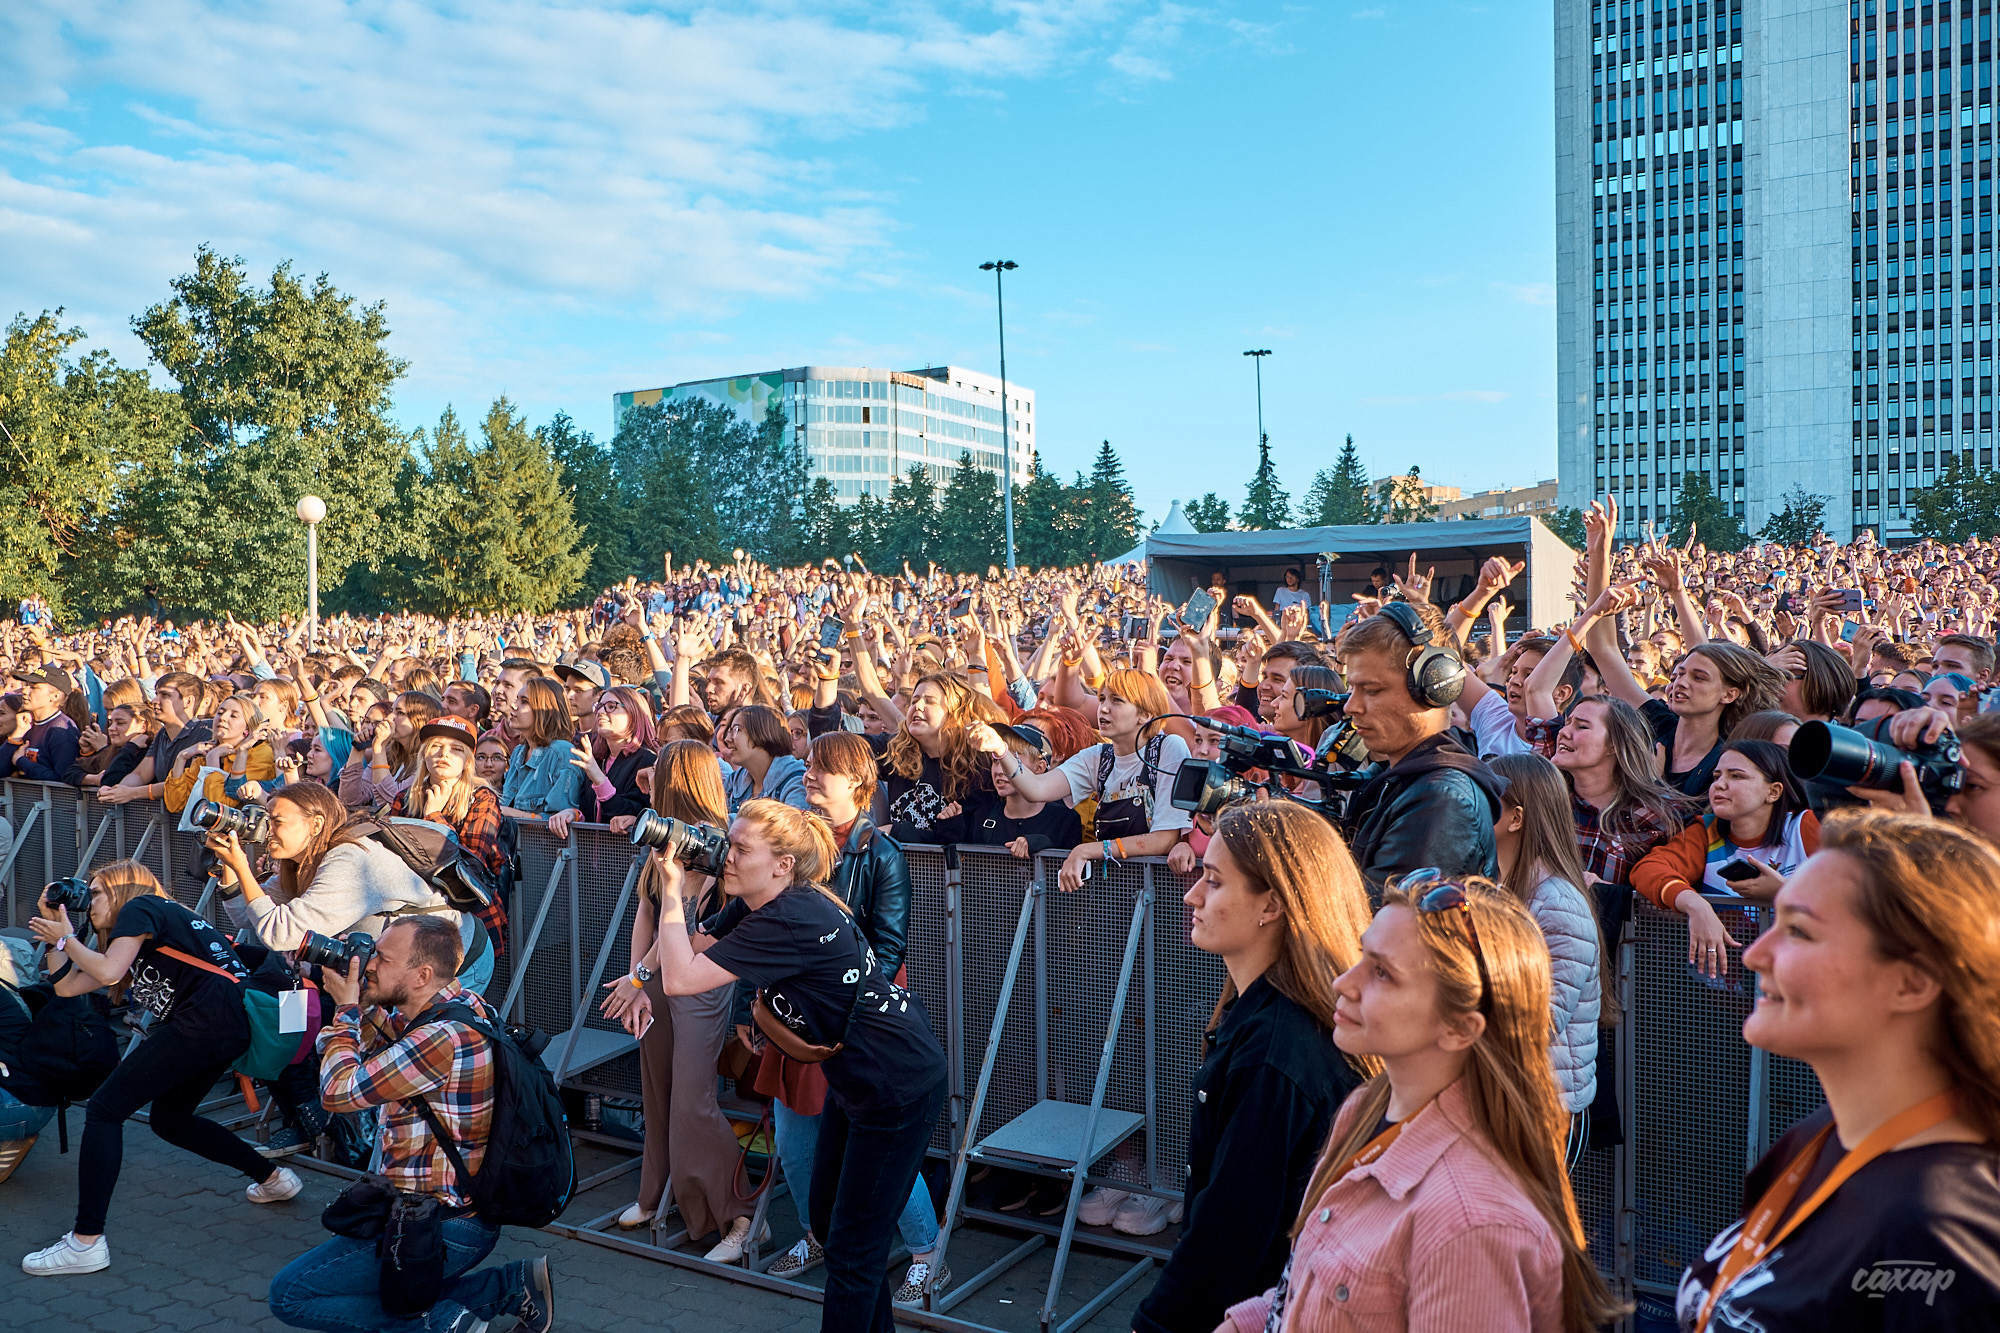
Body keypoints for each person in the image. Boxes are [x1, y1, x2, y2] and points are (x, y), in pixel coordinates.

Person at [1225, 874, 1626, 1333]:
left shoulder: (1470, 1226)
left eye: (1382, 973)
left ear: (1459, 1028)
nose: (1343, 982)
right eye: (1362, 956)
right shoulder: (1364, 1109)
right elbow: (1304, 1287)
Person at [1675, 811, 2000, 1330]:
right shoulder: (1818, 1136)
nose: (1757, 954)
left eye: (1799, 931)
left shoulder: (1943, 1229)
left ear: (1912, 982)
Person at [650, 798, 947, 1333]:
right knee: (835, 1230)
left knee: (853, 1251)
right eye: (728, 844)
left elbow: (681, 979)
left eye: (742, 849)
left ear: (783, 864)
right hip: (858, 1080)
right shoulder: (766, 902)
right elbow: (690, 948)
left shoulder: (788, 918)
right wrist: (685, 890)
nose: (728, 857)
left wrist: (671, 891)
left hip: (896, 1085)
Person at [1130, 802, 1372, 1333]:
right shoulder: (1269, 1019)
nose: (1192, 895)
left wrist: (1155, 1324)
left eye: (1214, 882)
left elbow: (1230, 1232)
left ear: (1272, 905)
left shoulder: (1277, 1051)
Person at [267, 915, 556, 1333]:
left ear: (421, 975)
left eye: (382, 959)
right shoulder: (463, 1006)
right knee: (391, 1296)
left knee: (291, 1295)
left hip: (442, 1226)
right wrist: (362, 996)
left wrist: (346, 1011)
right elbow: (389, 1040)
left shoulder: (441, 1038)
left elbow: (338, 1092)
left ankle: (446, 1324)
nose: (369, 964)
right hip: (439, 1210)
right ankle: (511, 1286)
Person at [21, 861, 301, 1276]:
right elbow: (67, 987)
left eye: (95, 893)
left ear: (121, 890)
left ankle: (86, 1242)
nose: (87, 903)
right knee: (171, 1120)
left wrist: (66, 939)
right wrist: (55, 934)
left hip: (205, 1021)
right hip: (224, 1025)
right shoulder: (149, 926)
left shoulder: (142, 906)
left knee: (104, 1110)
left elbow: (108, 972)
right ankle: (273, 1178)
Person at [758, 731, 942, 1302]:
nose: (809, 774)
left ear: (858, 783)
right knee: (795, 1140)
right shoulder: (795, 841)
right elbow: (760, 926)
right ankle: (819, 1233)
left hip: (860, 1018)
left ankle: (927, 1253)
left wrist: (844, 1005)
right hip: (798, 1012)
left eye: (823, 768)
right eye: (809, 764)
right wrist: (752, 1005)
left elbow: (890, 947)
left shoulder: (880, 853)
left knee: (877, 1147)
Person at [595, 740, 752, 1256]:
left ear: (678, 779)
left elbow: (685, 926)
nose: (649, 776)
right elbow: (647, 910)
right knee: (657, 1092)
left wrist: (639, 978)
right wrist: (636, 984)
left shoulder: (712, 841)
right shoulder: (662, 832)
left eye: (659, 770)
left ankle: (739, 1215)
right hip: (657, 980)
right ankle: (656, 1194)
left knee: (691, 1102)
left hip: (701, 980)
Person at [210, 781, 494, 996]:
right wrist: (229, 866)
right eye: (265, 819)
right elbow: (247, 917)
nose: (266, 830)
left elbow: (280, 934)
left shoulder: (349, 859)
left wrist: (242, 867)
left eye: (277, 822)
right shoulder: (300, 863)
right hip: (399, 966)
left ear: (316, 824)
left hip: (455, 960)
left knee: (412, 1047)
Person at [1488, 752, 1612, 1150]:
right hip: (1506, 1095)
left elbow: (1540, 1022)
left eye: (1485, 798)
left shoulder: (1557, 902)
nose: (1470, 807)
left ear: (1516, 818)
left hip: (1546, 1108)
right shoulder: (1494, 886)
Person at [970, 669, 1191, 890]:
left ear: (1145, 714)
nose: (1103, 708)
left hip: (1158, 893)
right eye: (1102, 698)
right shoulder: (1099, 756)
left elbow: (1165, 839)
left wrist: (1088, 850)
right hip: (1114, 891)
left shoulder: (1168, 748)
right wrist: (1001, 751)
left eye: (1116, 701)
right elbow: (1036, 788)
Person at [1334, 602, 1503, 891]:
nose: (1351, 706)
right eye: (1352, 688)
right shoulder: (1399, 779)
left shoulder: (1442, 800)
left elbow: (1374, 913)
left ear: (1435, 685)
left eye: (1371, 690)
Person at [1632, 740, 1820, 981]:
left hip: (1799, 985)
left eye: (1736, 776)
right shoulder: (1706, 831)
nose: (1719, 784)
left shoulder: (1805, 827)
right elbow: (1648, 869)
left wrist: (1785, 892)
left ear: (1773, 792)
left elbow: (1856, 893)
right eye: (1716, 776)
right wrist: (1696, 905)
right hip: (1720, 997)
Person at [960, 722, 1082, 857]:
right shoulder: (982, 814)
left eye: (1012, 760)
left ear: (1039, 767)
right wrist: (950, 826)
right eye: (996, 760)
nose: (1000, 770)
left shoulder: (1064, 820)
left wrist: (1044, 844)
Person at [96, 670, 212, 806]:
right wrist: (116, 790)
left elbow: (187, 783)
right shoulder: (162, 734)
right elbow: (140, 774)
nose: (154, 701)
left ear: (188, 701)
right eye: (156, 694)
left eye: (165, 695)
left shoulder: (206, 732)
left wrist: (132, 793)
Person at [562, 684, 655, 832]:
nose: (600, 712)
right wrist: (574, 815)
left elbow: (632, 813)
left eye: (611, 706)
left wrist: (599, 779)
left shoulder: (647, 761)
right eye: (599, 706)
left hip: (624, 847)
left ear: (634, 713)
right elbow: (591, 812)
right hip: (593, 847)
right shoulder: (598, 759)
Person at [498, 676, 583, 823]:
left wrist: (509, 813)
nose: (514, 706)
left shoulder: (562, 753)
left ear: (545, 710)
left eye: (524, 701)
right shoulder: (519, 752)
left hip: (542, 839)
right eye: (517, 699)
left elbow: (560, 822)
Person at [0, 666, 82, 785]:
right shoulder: (26, 724)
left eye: (33, 687)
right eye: (26, 685)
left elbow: (64, 780)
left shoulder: (61, 731)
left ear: (55, 696)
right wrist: (17, 735)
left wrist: (21, 761)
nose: (24, 691)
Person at [721, 703, 810, 812]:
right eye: (729, 731)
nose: (727, 739)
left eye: (737, 730)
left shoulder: (795, 780)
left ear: (763, 733)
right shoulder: (735, 780)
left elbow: (792, 821)